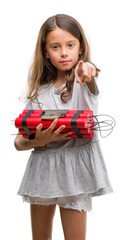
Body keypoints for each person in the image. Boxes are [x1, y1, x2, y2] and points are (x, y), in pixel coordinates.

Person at [14, 14, 113, 240]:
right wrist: (37, 141)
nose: (64, 52)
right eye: (55, 47)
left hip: (75, 173)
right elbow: (18, 142)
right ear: (46, 52)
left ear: (80, 47)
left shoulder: (83, 80)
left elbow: (89, 72)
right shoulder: (39, 93)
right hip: (42, 170)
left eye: (70, 45)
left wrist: (88, 69)